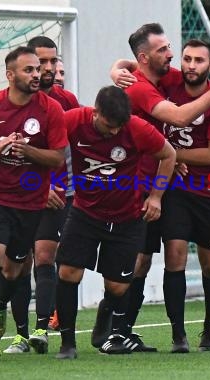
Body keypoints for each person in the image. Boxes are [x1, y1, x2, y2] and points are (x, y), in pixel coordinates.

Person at [90, 23, 210, 353]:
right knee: (142, 258)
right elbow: (179, 117)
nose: (178, 59)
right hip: (140, 187)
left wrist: (118, 67)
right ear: (147, 57)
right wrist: (170, 158)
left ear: (209, 66)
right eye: (166, 51)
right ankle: (120, 328)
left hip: (178, 187)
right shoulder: (145, 89)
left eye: (192, 58)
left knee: (148, 259)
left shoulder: (167, 79)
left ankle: (124, 329)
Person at [0, 46, 67, 360]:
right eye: (29, 70)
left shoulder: (51, 110)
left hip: (30, 203)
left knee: (14, 269)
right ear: (10, 75)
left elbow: (58, 157)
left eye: (38, 69)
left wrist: (26, 151)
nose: (37, 75)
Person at [54, 85, 176, 359]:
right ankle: (67, 343)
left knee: (118, 287)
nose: (114, 132)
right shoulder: (73, 120)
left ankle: (106, 312)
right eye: (109, 126)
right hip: (85, 213)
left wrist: (156, 197)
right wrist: (49, 184)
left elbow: (169, 155)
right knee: (67, 273)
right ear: (95, 113)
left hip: (127, 216)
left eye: (119, 127)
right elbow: (49, 149)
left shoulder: (137, 128)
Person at [0, 36, 80, 355]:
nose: (47, 68)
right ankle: (18, 335)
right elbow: (6, 154)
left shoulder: (67, 101)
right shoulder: (10, 104)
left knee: (45, 257)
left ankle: (41, 329)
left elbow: (76, 146)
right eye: (41, 62)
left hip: (59, 195)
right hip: (20, 194)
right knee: (17, 263)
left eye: (52, 61)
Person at [156, 39, 210, 353]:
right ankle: (178, 335)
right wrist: (118, 69)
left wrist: (174, 155)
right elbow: (133, 67)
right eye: (186, 59)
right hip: (175, 191)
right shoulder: (169, 84)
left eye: (199, 61)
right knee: (174, 256)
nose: (191, 65)